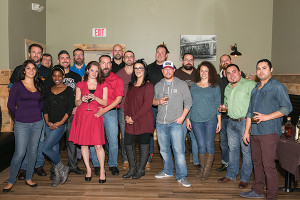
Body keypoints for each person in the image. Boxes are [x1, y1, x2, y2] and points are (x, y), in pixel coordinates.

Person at [240, 59, 293, 199]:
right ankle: (257, 191)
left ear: (271, 69)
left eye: (264, 68)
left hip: (269, 132)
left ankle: (271, 196)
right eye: (258, 68)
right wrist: (246, 131)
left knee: (268, 165)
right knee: (256, 163)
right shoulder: (255, 89)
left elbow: (287, 108)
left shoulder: (277, 87)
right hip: (254, 132)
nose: (261, 71)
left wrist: (266, 117)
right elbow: (249, 112)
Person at [9, 44, 51, 180]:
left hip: (38, 116)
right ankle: (24, 167)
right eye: (34, 52)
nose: (36, 55)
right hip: (22, 117)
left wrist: (40, 112)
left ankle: (38, 165)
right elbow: (12, 91)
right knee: (22, 146)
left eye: (39, 53)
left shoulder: (45, 71)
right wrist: (19, 113)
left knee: (38, 143)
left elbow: (45, 95)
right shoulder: (18, 70)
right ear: (29, 53)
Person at [3, 60, 45, 192]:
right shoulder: (17, 85)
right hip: (22, 124)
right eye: (28, 68)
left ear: (36, 71)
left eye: (33, 68)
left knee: (33, 152)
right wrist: (19, 117)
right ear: (24, 70)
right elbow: (10, 105)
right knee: (20, 153)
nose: (31, 70)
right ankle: (11, 180)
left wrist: (37, 114)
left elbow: (42, 103)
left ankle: (29, 178)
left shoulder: (39, 85)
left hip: (37, 123)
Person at [153, 61, 192, 188]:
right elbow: (153, 101)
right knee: (164, 150)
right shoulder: (158, 85)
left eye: (170, 69)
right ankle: (167, 171)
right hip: (160, 123)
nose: (168, 71)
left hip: (176, 123)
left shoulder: (181, 84)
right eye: (165, 69)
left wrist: (182, 117)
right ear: (162, 71)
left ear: (174, 70)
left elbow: (188, 102)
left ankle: (181, 176)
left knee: (179, 151)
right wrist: (157, 101)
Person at [69, 61, 108, 183]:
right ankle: (88, 170)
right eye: (92, 70)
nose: (94, 73)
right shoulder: (80, 84)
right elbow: (76, 102)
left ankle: (102, 170)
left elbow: (105, 102)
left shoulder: (103, 84)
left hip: (95, 116)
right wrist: (82, 99)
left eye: (97, 71)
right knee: (84, 145)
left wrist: (95, 98)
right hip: (82, 116)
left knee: (98, 145)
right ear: (87, 70)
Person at [218, 64, 256, 189]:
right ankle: (231, 174)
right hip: (231, 122)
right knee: (232, 150)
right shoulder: (228, 87)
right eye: (228, 73)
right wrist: (224, 109)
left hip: (245, 122)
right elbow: (228, 104)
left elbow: (256, 103)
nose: (231, 75)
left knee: (246, 152)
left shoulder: (249, 84)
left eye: (234, 72)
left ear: (240, 72)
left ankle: (245, 178)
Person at [186, 61, 221, 180]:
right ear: (199, 72)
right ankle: (202, 167)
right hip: (195, 119)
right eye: (202, 70)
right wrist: (188, 118)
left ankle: (206, 171)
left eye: (206, 70)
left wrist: (219, 121)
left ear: (210, 72)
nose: (204, 73)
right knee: (200, 145)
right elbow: (190, 103)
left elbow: (218, 105)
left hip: (211, 119)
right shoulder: (194, 86)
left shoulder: (215, 87)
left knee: (209, 144)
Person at [122, 59, 154, 179]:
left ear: (145, 70)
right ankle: (132, 168)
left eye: (140, 68)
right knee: (128, 143)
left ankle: (141, 169)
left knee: (143, 144)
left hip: (143, 120)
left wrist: (133, 118)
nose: (138, 70)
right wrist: (127, 116)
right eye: (136, 68)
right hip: (130, 120)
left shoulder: (149, 86)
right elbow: (126, 103)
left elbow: (147, 106)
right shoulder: (131, 85)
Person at [42, 66, 73, 187]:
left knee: (46, 148)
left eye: (59, 76)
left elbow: (69, 109)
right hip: (49, 124)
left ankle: (62, 168)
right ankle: (58, 175)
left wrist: (60, 123)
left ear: (63, 77)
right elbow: (45, 108)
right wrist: (48, 122)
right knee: (54, 150)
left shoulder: (69, 90)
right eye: (54, 76)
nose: (57, 78)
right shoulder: (49, 89)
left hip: (60, 125)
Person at [217, 54, 246, 172]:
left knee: (242, 145)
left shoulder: (241, 77)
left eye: (227, 60)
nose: (225, 62)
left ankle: (240, 166)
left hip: (239, 116)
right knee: (224, 143)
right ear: (220, 64)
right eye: (222, 61)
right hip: (223, 116)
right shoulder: (217, 78)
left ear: (231, 61)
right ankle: (226, 163)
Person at [97, 55, 124, 176]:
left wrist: (105, 110)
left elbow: (118, 99)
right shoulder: (93, 78)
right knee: (96, 140)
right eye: (103, 63)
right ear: (99, 64)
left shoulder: (117, 79)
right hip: (95, 112)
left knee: (113, 140)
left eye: (108, 63)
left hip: (111, 112)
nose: (106, 66)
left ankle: (113, 164)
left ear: (111, 65)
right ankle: (97, 165)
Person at [174, 53, 199, 169]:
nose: (188, 62)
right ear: (182, 61)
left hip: (195, 110)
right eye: (186, 60)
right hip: (181, 110)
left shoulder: (199, 73)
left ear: (193, 61)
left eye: (191, 60)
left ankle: (196, 161)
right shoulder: (176, 73)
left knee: (195, 138)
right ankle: (180, 161)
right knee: (180, 138)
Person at [147, 43, 170, 170]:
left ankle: (166, 157)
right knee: (150, 131)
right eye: (157, 52)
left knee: (165, 133)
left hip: (166, 106)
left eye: (162, 52)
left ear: (166, 55)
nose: (159, 54)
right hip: (151, 106)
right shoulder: (148, 68)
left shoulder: (170, 68)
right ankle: (149, 156)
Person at [116, 50, 135, 170]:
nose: (128, 59)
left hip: (136, 109)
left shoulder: (138, 72)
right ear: (123, 59)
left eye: (131, 57)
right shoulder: (118, 74)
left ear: (134, 59)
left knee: (136, 134)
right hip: (123, 108)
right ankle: (126, 159)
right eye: (126, 57)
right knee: (125, 134)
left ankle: (134, 158)